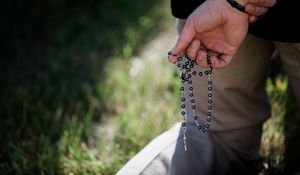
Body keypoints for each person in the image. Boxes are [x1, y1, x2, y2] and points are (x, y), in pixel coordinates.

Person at [117, 0, 300, 174]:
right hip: (211, 15)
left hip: (208, 9)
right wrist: (232, 5)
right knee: (210, 134)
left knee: (211, 137)